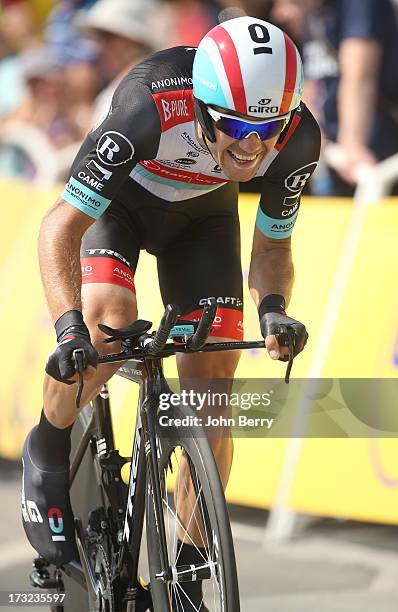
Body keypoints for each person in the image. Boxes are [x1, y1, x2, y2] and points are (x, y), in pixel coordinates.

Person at [21, 16, 320, 611]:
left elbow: (272, 247)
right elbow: (60, 224)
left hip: (202, 223)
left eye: (269, 126)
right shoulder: (147, 106)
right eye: (234, 124)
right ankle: (49, 449)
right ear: (203, 105)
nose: (252, 144)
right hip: (120, 206)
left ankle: (187, 570)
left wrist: (274, 311)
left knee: (212, 399)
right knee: (107, 320)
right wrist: (68, 327)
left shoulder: (300, 138)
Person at [299, 0, 398, 193]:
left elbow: (360, 74)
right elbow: (312, 74)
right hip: (334, 155)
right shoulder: (316, 10)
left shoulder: (359, 5)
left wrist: (353, 142)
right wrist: (311, 131)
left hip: (373, 158)